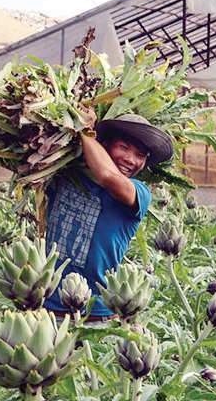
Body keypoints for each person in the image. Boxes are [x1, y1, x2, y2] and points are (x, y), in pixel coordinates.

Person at [42, 112, 174, 322]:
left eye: (140, 155)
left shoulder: (138, 193)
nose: (131, 160)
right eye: (123, 148)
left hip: (97, 315)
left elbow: (107, 176)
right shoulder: (65, 173)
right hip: (47, 308)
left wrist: (84, 131)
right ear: (104, 144)